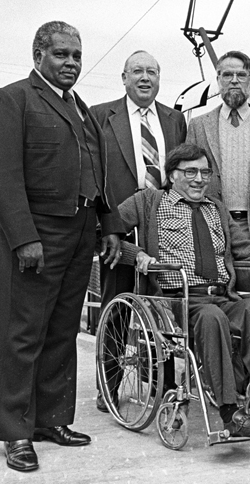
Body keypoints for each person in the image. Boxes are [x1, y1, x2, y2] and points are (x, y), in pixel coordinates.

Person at [0, 21, 123, 472]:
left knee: (63, 329)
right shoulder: (13, 99)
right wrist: (24, 237)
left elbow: (97, 176)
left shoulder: (79, 108)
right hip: (37, 233)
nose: (72, 64)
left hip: (81, 231)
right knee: (21, 333)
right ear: (38, 54)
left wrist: (109, 225)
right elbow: (0, 174)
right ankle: (16, 432)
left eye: (77, 56)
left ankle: (51, 420)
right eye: (61, 55)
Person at [116, 143, 250, 438]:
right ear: (172, 175)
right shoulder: (149, 202)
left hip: (223, 294)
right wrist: (137, 256)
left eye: (205, 172)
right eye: (191, 172)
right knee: (211, 317)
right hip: (179, 300)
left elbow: (247, 252)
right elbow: (106, 234)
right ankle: (229, 412)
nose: (200, 179)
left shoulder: (216, 209)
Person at [91, 50, 187, 412]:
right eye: (137, 72)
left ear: (159, 78)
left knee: (162, 307)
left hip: (162, 227)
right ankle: (108, 386)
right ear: (124, 78)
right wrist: (107, 226)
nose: (144, 78)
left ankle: (161, 384)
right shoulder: (101, 116)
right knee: (115, 308)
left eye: (151, 72)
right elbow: (95, 173)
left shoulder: (175, 119)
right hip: (118, 228)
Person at [187, 51, 250, 274]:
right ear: (218, 80)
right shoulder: (198, 126)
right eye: (227, 75)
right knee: (216, 294)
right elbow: (187, 180)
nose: (234, 80)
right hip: (211, 224)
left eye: (241, 75)